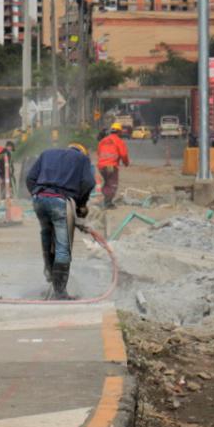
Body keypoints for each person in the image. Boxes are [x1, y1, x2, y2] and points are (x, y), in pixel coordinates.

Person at [26, 143, 96, 300]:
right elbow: (89, 183)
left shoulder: (47, 152)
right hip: (60, 201)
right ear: (82, 151)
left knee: (46, 232)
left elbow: (30, 178)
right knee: (63, 246)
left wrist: (38, 195)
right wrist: (80, 204)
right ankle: (60, 292)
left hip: (39, 199)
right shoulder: (82, 159)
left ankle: (49, 272)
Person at [97, 122, 130, 209]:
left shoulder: (103, 141)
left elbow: (99, 152)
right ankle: (107, 203)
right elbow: (123, 155)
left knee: (107, 182)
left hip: (101, 166)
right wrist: (126, 163)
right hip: (111, 166)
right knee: (112, 184)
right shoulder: (119, 141)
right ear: (119, 132)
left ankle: (105, 199)